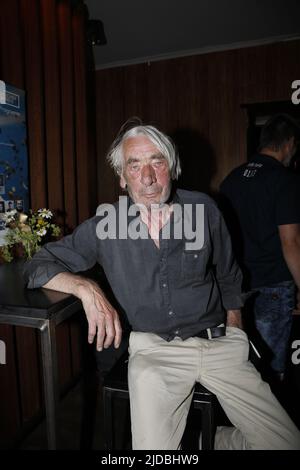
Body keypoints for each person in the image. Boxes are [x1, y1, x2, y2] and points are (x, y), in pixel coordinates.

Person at [24, 120, 300, 450]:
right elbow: (36, 265)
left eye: (157, 161)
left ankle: (200, 443)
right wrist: (86, 288)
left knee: (285, 443)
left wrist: (236, 330)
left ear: (173, 166)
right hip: (154, 351)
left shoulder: (205, 209)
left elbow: (229, 274)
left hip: (219, 344)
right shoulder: (105, 226)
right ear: (122, 178)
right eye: (134, 165)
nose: (148, 177)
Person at [220, 114, 300, 383]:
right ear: (288, 143)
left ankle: (242, 424)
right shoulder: (285, 181)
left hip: (236, 289)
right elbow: (291, 243)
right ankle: (265, 425)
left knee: (241, 370)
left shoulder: (231, 180)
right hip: (273, 286)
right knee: (270, 372)